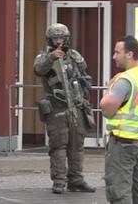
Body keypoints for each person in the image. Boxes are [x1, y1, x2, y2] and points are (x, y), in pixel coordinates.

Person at [33, 23, 96, 194]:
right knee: (58, 146)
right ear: (49, 40)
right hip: (57, 109)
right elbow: (39, 70)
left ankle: (76, 180)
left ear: (67, 38)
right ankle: (59, 181)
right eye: (55, 38)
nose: (58, 41)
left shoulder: (75, 56)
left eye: (61, 38)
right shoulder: (43, 57)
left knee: (77, 146)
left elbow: (84, 73)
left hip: (76, 107)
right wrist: (52, 57)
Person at [100, 36, 138, 204]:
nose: (114, 56)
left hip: (123, 142)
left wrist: (108, 90)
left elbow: (106, 108)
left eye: (117, 52)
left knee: (119, 191)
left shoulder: (126, 79)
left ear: (129, 54)